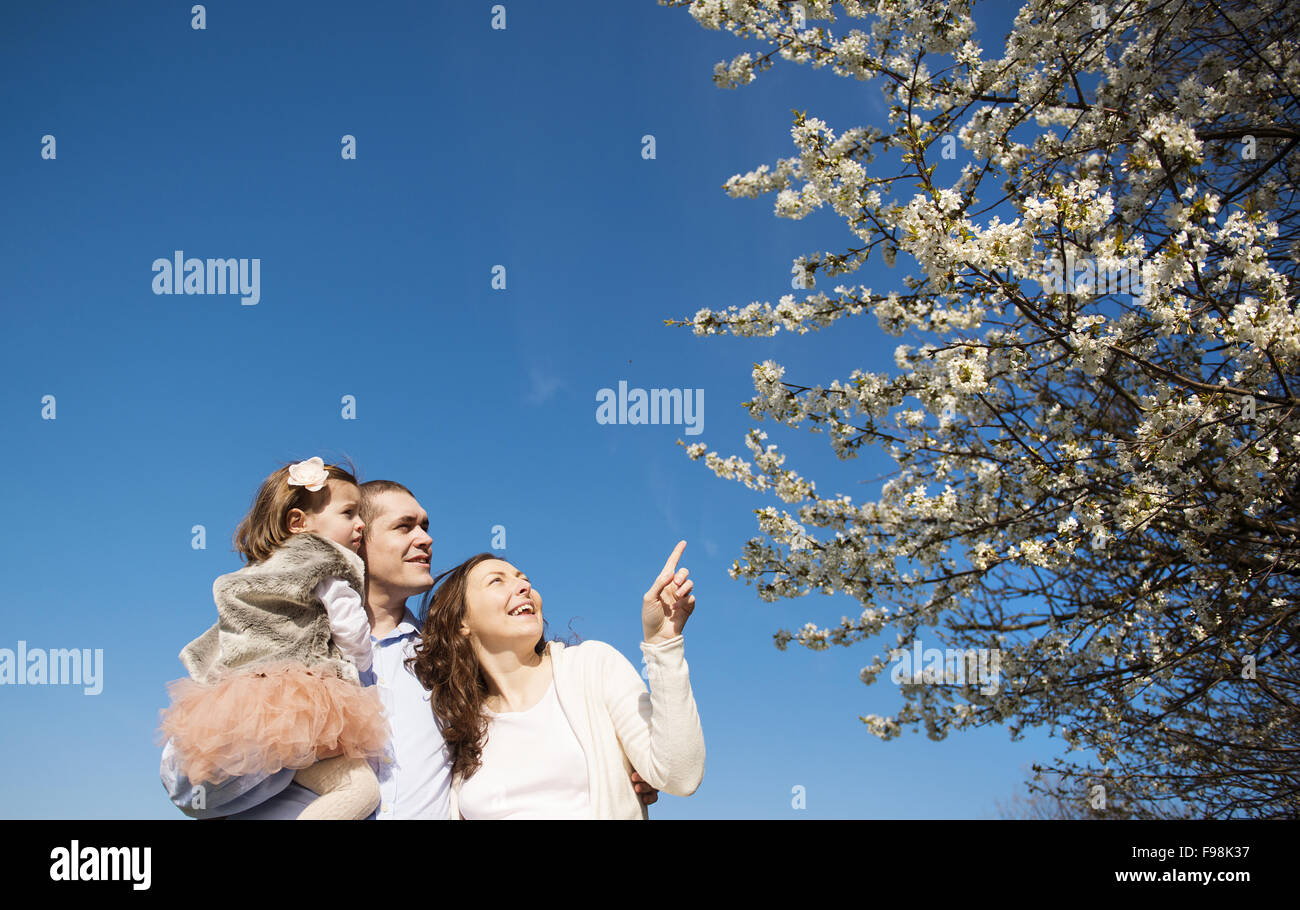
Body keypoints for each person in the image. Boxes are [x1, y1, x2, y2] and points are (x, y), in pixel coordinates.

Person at [160, 479, 662, 818]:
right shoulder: (277, 640)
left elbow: (527, 739)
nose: (426, 539)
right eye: (404, 527)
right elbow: (186, 787)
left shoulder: (454, 665)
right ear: (354, 541)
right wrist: (288, 740)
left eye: (424, 524)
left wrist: (619, 763)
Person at [158, 457, 389, 820]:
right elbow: (353, 636)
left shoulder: (256, 575)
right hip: (304, 708)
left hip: (242, 709)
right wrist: (360, 663)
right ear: (298, 522)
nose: (361, 525)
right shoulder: (328, 565)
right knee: (358, 790)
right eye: (349, 514)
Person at [408, 541, 704, 819]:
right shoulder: (459, 727)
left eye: (523, 578)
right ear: (462, 623)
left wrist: (663, 644)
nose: (524, 586)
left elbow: (679, 775)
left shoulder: (592, 667)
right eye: (497, 581)